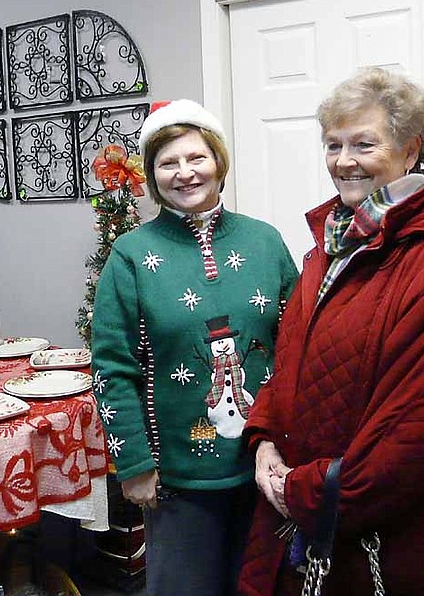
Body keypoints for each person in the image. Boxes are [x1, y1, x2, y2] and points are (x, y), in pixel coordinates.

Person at [239, 67, 424, 596]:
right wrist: (263, 441)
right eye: (333, 144)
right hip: (317, 527)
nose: (344, 161)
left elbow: (423, 428)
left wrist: (301, 488)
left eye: (363, 144)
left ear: (411, 148)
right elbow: (291, 366)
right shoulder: (331, 245)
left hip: (410, 543)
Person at [91, 99, 299, 596]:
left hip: (266, 470)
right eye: (168, 163)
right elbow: (112, 367)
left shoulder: (265, 242)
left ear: (218, 163)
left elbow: (297, 345)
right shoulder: (131, 255)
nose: (185, 173)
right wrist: (136, 464)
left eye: (196, 158)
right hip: (177, 480)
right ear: (153, 174)